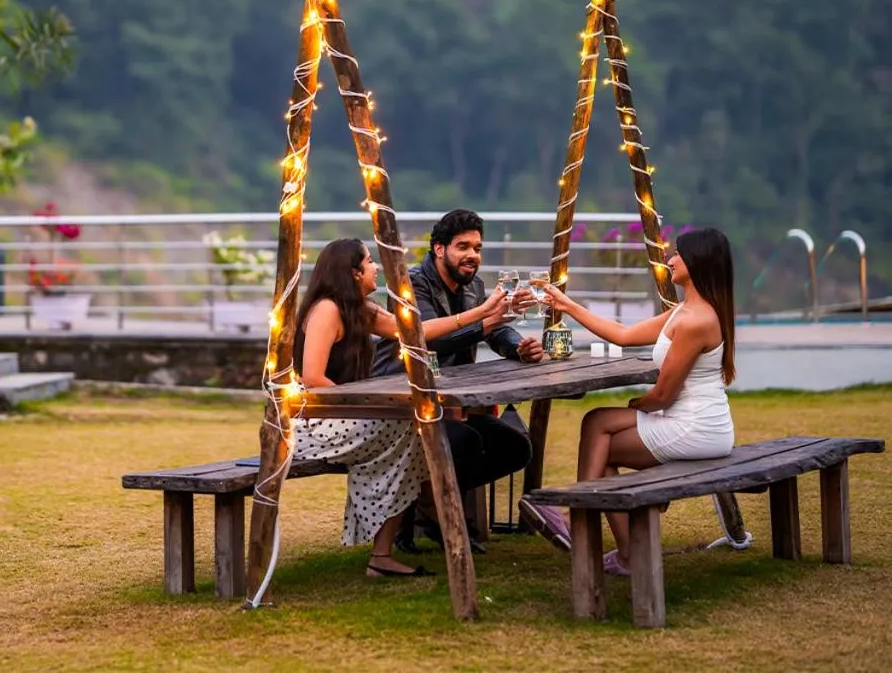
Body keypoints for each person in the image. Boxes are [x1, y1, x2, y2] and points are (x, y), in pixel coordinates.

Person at [518, 226, 737, 575]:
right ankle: (621, 551)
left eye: (678, 254)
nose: (671, 259)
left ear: (697, 263)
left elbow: (664, 395)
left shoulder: (697, 320)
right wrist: (567, 305)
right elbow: (623, 334)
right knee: (596, 425)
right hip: (689, 421)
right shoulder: (684, 311)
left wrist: (636, 405)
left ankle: (582, 524)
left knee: (600, 434)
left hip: (695, 428)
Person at [291, 237, 510, 577]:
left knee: (417, 431)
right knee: (412, 431)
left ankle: (387, 551)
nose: (376, 267)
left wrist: (482, 313)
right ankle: (415, 527)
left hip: (346, 416)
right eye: (369, 262)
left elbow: (417, 331)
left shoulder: (360, 309)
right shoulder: (327, 310)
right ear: (353, 272)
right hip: (316, 423)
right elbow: (313, 378)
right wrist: (363, 406)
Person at [370, 209, 543, 552]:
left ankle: (429, 506)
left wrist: (518, 348)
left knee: (515, 448)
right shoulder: (411, 284)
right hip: (402, 401)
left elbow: (496, 331)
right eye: (463, 246)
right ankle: (429, 516)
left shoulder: (474, 285)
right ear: (439, 248)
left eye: (477, 248)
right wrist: (489, 321)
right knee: (462, 441)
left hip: (449, 401)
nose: (472, 256)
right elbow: (428, 340)